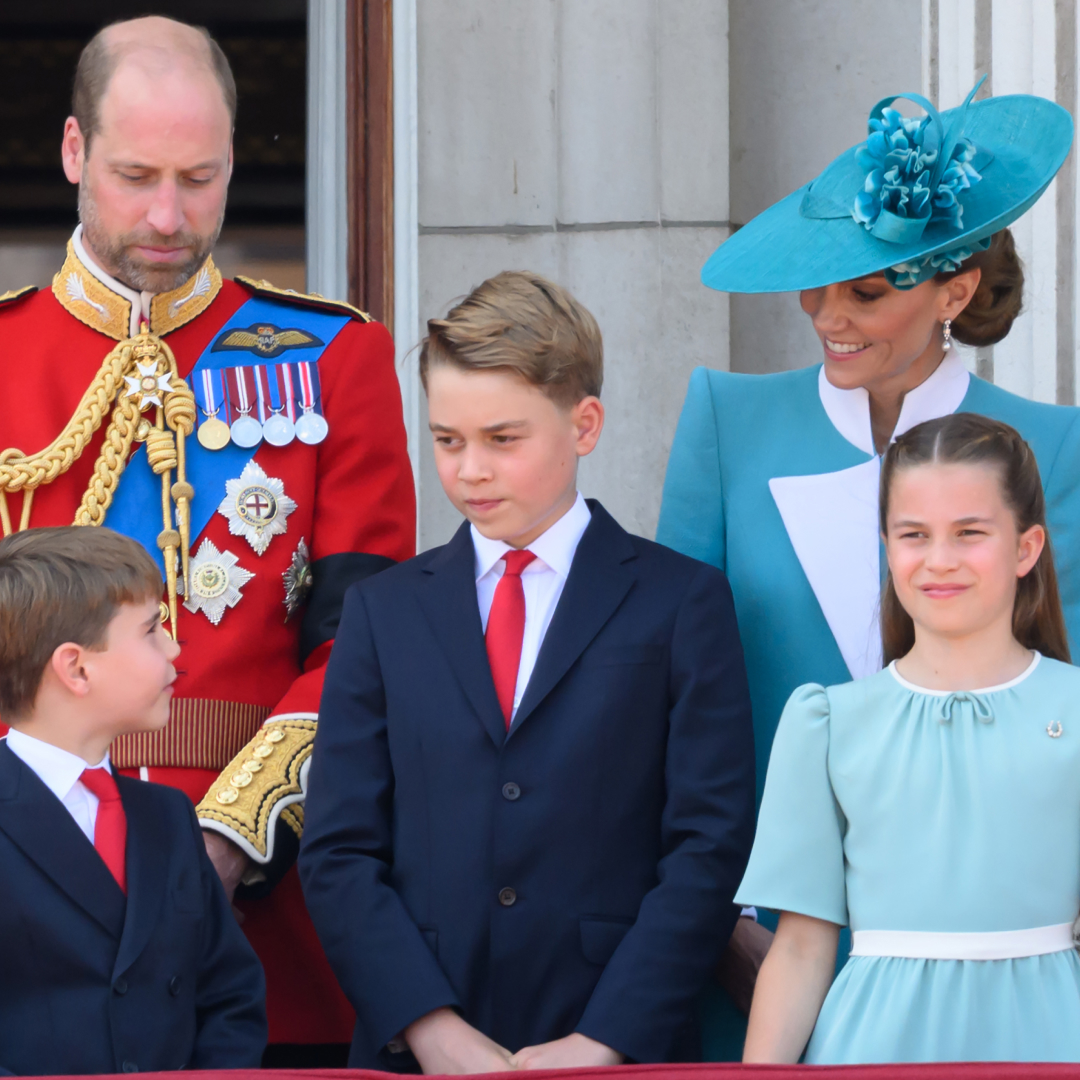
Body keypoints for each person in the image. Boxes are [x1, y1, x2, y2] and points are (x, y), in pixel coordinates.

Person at [0, 16, 415, 1059]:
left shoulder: (335, 356)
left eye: (202, 178)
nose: (168, 215)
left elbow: (366, 648)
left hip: (264, 893)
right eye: (138, 175)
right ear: (72, 154)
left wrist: (232, 835)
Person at [656, 82, 1080, 1054]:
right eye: (818, 282)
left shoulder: (1057, 452)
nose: (827, 315)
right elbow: (668, 697)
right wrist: (719, 921)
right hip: (757, 943)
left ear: (957, 292)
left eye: (867, 290)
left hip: (991, 963)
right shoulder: (728, 420)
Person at [297, 271, 756, 1071]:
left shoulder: (682, 601)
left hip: (617, 1038)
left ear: (585, 424)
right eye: (446, 440)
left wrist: (605, 1040)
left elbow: (708, 846)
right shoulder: (382, 611)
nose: (469, 470)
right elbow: (338, 851)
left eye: (502, 439)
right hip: (419, 1047)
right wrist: (430, 1030)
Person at [737, 413, 1080, 1063]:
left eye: (970, 533)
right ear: (887, 547)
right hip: (872, 1049)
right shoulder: (828, 723)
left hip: (1054, 1041)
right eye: (913, 535)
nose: (939, 560)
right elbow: (803, 947)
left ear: (1027, 547)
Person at [0, 526, 267, 1075]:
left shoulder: (166, 816)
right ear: (76, 668)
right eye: (151, 630)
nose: (173, 647)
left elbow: (228, 993)